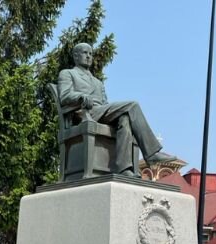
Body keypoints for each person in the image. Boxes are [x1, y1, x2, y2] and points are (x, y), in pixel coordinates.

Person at [57, 43, 177, 177]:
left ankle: (123, 169)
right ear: (76, 56)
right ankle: (151, 154)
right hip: (84, 112)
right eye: (85, 53)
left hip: (101, 111)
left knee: (125, 119)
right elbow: (64, 96)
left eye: (90, 54)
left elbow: (105, 103)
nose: (88, 56)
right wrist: (81, 96)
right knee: (133, 105)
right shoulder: (68, 73)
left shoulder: (97, 82)